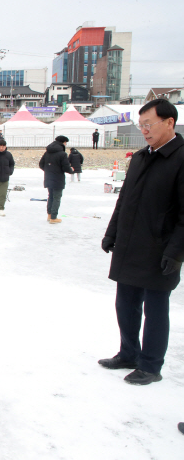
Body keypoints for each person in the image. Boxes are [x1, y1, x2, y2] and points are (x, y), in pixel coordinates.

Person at [98, 98, 184, 385]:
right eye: (141, 125)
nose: (144, 130)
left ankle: (150, 365)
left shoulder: (181, 159)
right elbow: (124, 201)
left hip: (161, 250)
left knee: (155, 310)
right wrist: (112, 233)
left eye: (149, 124)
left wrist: (175, 253)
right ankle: (129, 353)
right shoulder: (140, 157)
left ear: (169, 122)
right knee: (126, 304)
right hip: (130, 246)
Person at [39, 135, 74, 224]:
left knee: (50, 196)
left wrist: (48, 170)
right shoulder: (62, 154)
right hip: (58, 178)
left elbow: (41, 164)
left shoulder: (47, 152)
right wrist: (72, 170)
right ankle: (54, 218)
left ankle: (49, 215)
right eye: (66, 143)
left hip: (48, 177)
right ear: (63, 143)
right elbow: (66, 167)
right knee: (57, 197)